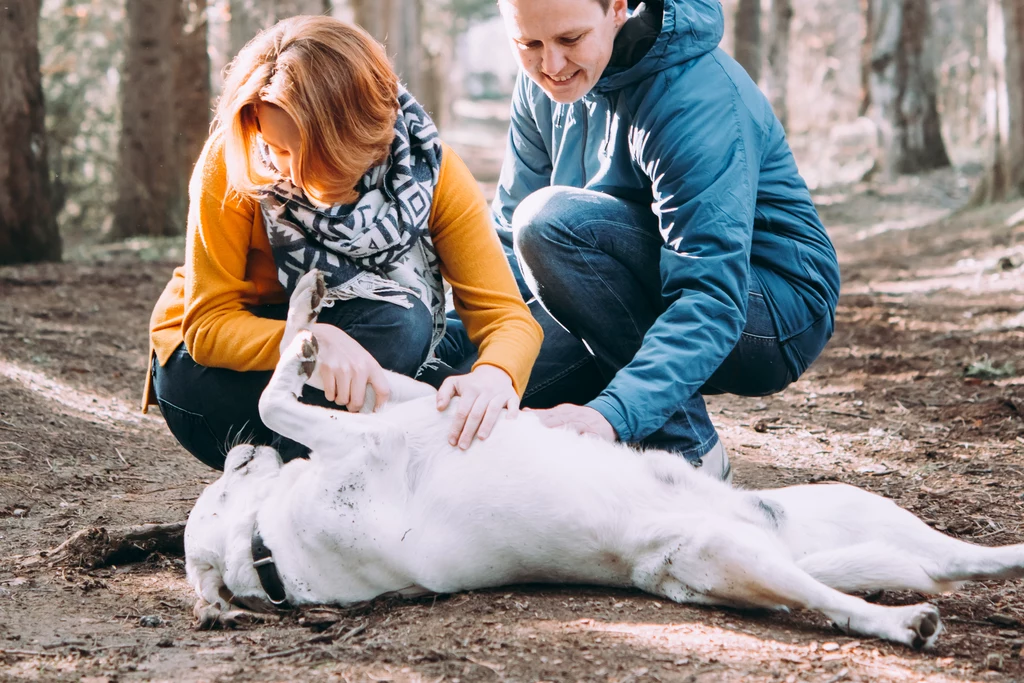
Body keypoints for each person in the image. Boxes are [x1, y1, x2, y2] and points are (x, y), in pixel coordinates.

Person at [449, 0, 841, 480]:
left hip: (767, 310)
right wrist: (446, 353)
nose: (550, 67)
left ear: (617, 8)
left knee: (549, 222)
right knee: (466, 393)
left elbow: (711, 296)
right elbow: (506, 252)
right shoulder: (541, 87)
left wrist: (610, 415)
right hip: (620, 292)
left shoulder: (694, 95)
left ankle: (688, 454)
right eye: (528, 44)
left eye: (570, 40)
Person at [142, 15, 543, 470]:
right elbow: (207, 329)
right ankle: (292, 494)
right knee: (402, 325)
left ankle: (342, 466)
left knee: (487, 387)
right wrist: (306, 341)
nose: (285, 171)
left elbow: (508, 317)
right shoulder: (235, 162)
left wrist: (494, 376)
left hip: (359, 349)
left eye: (306, 151)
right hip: (218, 380)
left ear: (359, 136)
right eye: (275, 148)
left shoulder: (431, 172)